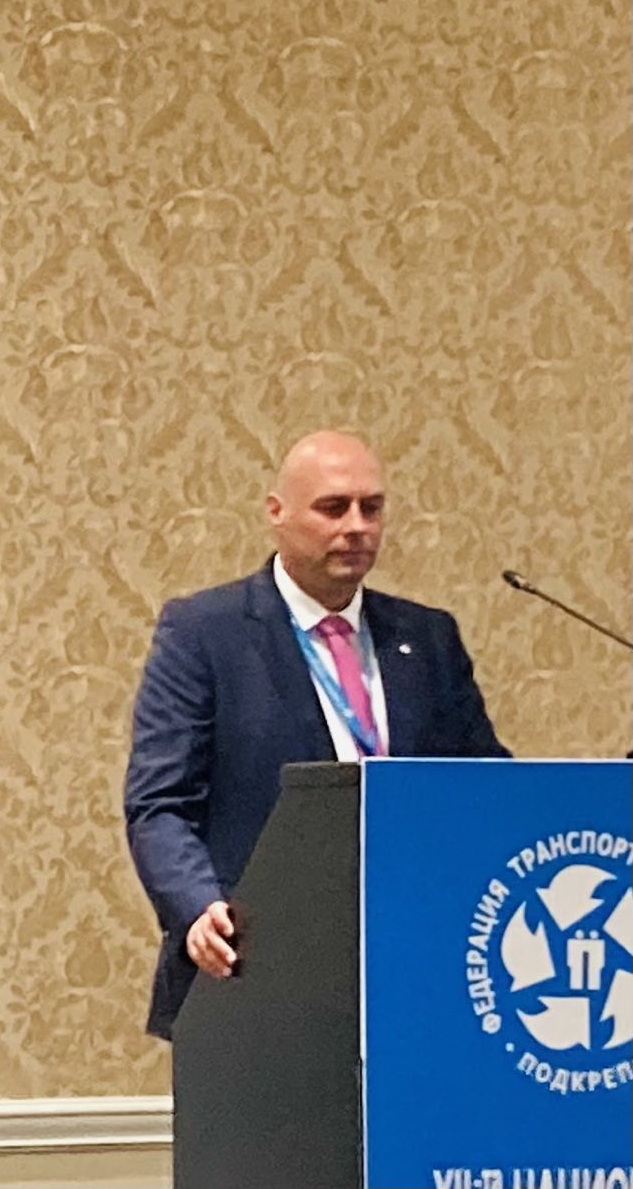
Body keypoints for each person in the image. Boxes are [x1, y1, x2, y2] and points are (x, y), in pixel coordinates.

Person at [122, 431, 507, 1039]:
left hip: (414, 965)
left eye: (371, 508)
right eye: (333, 508)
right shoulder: (205, 633)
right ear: (277, 513)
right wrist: (198, 907)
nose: (357, 527)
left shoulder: (427, 637)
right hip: (257, 967)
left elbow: (486, 786)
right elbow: (160, 804)